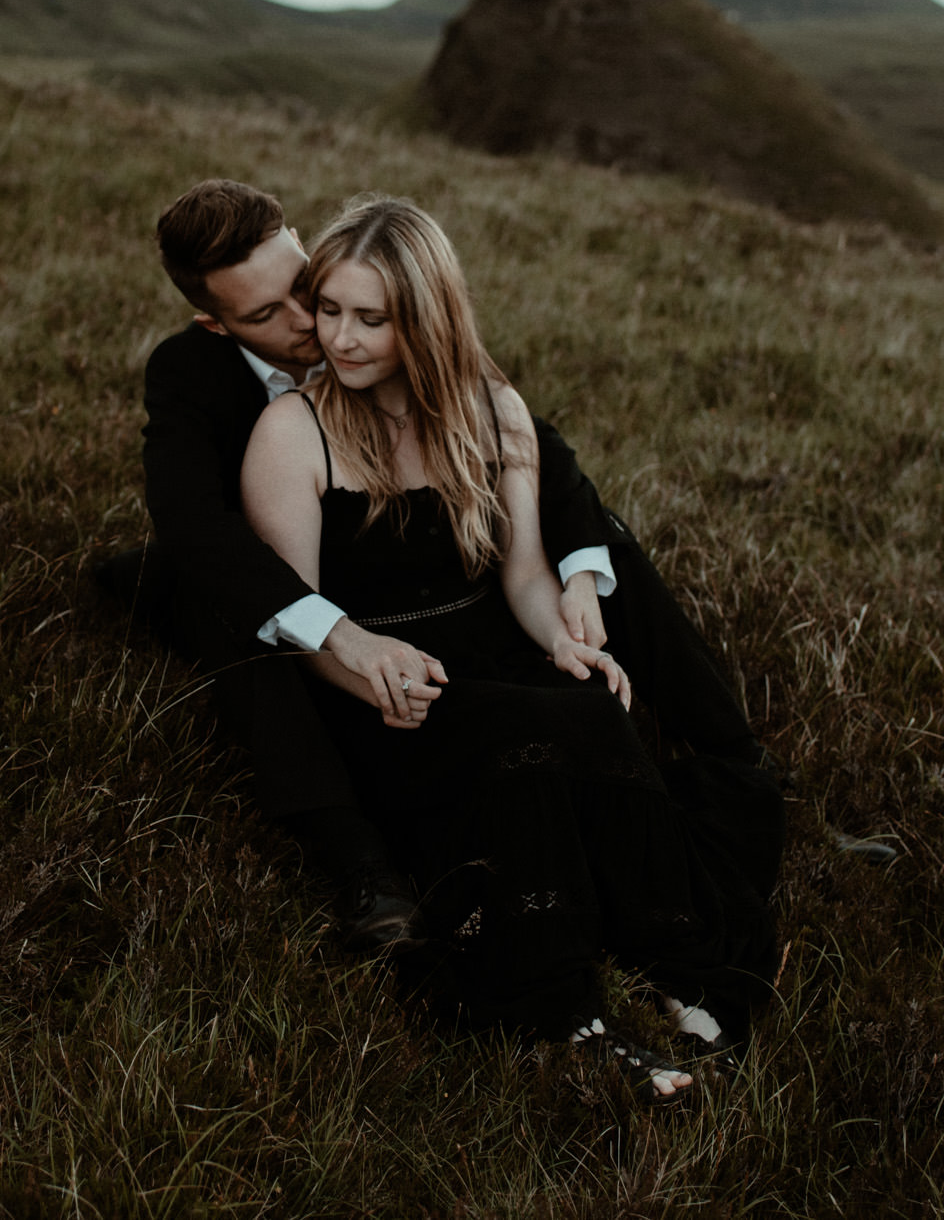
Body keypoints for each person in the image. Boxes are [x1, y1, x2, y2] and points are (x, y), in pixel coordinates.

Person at [120, 180, 776, 959]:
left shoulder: (386, 314)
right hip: (276, 580)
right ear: (215, 321)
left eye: (308, 290)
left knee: (606, 547)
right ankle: (357, 864)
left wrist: (579, 573)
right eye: (267, 316)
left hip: (418, 567)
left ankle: (735, 760)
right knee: (241, 608)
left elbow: (538, 453)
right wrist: (341, 635)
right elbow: (196, 532)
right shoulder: (192, 373)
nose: (314, 327)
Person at [239, 195, 782, 1100]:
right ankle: (563, 1015)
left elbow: (525, 574)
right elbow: (293, 619)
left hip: (489, 650)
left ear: (429, 317)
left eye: (372, 318)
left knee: (583, 705)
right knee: (518, 750)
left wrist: (563, 642)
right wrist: (366, 670)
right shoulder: (292, 433)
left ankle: (682, 965)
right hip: (381, 686)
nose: (341, 338)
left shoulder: (494, 412)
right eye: (329, 310)